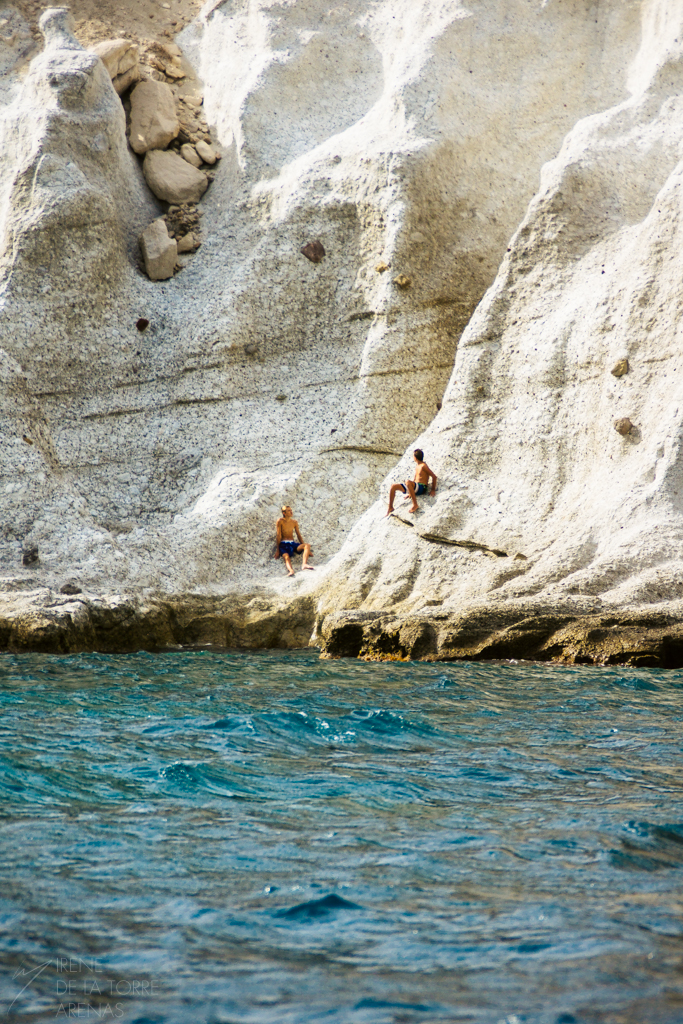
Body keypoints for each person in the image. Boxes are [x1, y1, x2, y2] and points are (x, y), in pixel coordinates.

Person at [385, 449, 437, 516]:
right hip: (415, 487)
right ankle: (390, 507)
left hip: (422, 487)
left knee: (408, 482)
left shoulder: (423, 466)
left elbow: (434, 477)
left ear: (415, 457)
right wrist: (410, 491)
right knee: (393, 486)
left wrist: (433, 490)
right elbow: (415, 479)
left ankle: (415, 504)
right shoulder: (417, 466)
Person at [275, 505, 314, 577]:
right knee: (286, 557)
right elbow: (278, 535)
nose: (291, 512)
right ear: (284, 513)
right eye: (289, 511)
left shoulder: (294, 522)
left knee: (307, 545)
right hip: (283, 544)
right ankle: (291, 571)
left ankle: (304, 564)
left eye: (291, 510)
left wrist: (307, 550)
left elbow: (298, 534)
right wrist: (277, 550)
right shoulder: (280, 521)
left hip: (292, 543)